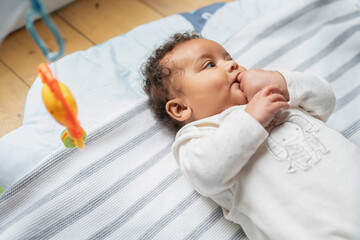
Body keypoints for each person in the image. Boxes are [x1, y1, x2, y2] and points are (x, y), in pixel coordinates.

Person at [142, 32, 360, 240]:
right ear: (180, 108)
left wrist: (281, 81)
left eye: (229, 58)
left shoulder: (273, 95)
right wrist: (251, 118)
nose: (231, 64)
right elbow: (206, 174)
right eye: (209, 65)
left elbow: (325, 101)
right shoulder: (199, 136)